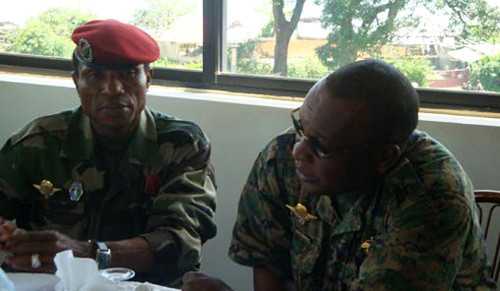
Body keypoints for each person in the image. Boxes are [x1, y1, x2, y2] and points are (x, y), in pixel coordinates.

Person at [182, 59, 496, 291]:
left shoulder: (430, 200)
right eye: (300, 127)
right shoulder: (282, 158)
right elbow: (267, 261)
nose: (298, 151)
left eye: (320, 146)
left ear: (383, 157)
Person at [0, 19, 217, 287]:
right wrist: (11, 242)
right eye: (95, 76)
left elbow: (181, 241)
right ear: (76, 82)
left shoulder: (182, 144)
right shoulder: (39, 143)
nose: (113, 90)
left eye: (127, 74)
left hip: (146, 286)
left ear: (148, 78)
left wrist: (88, 253)